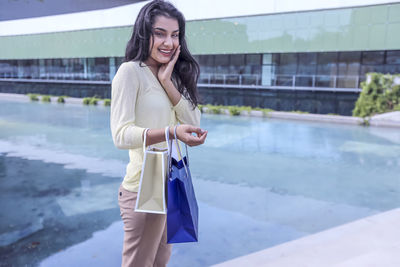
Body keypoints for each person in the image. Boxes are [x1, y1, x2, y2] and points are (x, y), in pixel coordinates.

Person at [110, 1, 208, 266]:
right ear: (145, 33)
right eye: (160, 33)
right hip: (142, 190)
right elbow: (121, 135)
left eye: (175, 35)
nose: (169, 42)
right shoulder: (130, 72)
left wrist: (166, 82)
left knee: (160, 262)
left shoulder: (172, 76)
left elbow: (194, 121)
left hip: (171, 186)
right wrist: (171, 131)